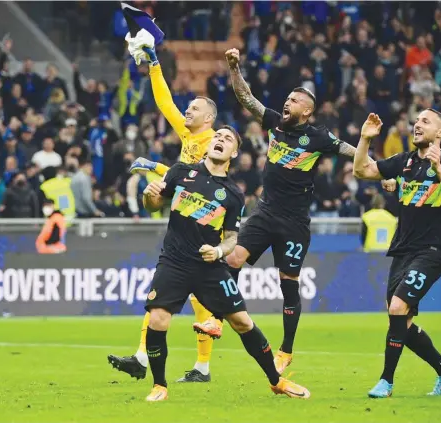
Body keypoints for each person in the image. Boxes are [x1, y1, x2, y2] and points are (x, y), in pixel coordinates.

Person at [194, 48, 363, 376]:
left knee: (288, 283)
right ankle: (216, 317)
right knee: (231, 260)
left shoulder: (318, 138)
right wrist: (234, 67)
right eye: (287, 98)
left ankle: (286, 349)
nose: (287, 103)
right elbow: (245, 97)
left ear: (308, 110)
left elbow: (353, 153)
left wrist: (377, 167)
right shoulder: (274, 122)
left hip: (294, 222)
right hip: (265, 212)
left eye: (295, 101)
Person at [140, 126, 310, 401]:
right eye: (217, 136)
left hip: (209, 267)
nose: (220, 140)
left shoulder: (232, 194)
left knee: (242, 322)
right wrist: (149, 196)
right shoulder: (181, 172)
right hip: (174, 262)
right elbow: (154, 205)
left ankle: (277, 381)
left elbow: (232, 238)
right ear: (208, 146)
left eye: (228, 139)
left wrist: (219, 251)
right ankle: (159, 385)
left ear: (234, 152)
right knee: (158, 319)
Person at [107, 28, 226, 383]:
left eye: (194, 109)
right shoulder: (191, 136)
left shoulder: (214, 143)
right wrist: (154, 62)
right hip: (185, 223)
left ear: (209, 118)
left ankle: (163, 361)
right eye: (188, 108)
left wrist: (154, 166)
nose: (186, 111)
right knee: (186, 296)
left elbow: (193, 175)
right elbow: (165, 103)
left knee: (199, 300)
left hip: (206, 227)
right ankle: (165, 362)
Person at [353, 110, 441, 398]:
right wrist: (365, 140)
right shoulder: (403, 162)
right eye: (416, 121)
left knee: (396, 308)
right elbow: (361, 171)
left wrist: (439, 168)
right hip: (403, 251)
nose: (417, 124)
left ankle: (386, 382)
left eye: (426, 121)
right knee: (401, 321)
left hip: (431, 251)